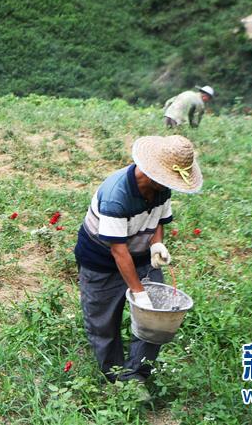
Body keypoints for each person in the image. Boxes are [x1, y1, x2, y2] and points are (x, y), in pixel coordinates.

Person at [74, 135, 203, 387]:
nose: (170, 186)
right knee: (104, 322)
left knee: (157, 319)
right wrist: (137, 290)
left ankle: (137, 376)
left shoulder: (161, 188)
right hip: (101, 261)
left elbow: (159, 220)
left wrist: (156, 243)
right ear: (151, 172)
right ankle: (115, 377)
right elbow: (118, 251)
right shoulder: (116, 194)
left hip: (142, 255)